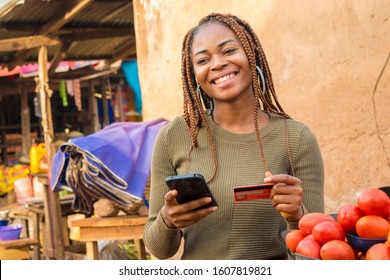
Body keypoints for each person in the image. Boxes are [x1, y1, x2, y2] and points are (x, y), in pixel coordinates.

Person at [143, 13, 324, 260]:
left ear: (252, 55)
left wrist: (297, 216)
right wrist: (167, 220)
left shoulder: (296, 137)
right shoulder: (175, 136)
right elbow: (158, 249)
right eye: (203, 59)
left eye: (228, 51)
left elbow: (317, 250)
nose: (217, 64)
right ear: (193, 73)